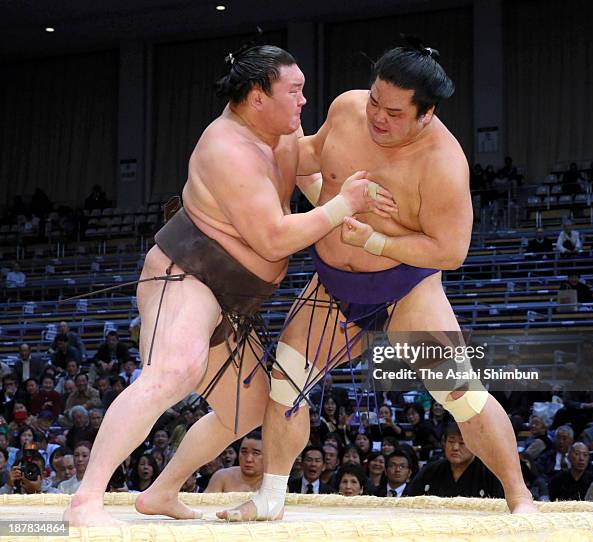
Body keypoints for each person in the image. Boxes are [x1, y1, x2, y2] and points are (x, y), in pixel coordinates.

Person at [64, 44, 389, 526]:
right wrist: (342, 206)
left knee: (249, 410)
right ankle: (86, 499)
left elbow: (308, 167)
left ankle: (161, 491)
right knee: (175, 370)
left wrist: (349, 212)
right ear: (258, 96)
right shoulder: (226, 148)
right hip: (188, 274)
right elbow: (275, 238)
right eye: (294, 91)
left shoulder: (282, 128)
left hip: (234, 297)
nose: (303, 100)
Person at [220, 41, 536, 520]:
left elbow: (451, 252)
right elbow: (309, 158)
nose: (376, 117)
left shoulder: (443, 163)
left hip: (404, 286)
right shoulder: (348, 110)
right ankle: (271, 497)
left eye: (392, 111)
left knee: (461, 394)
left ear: (425, 114)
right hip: (331, 284)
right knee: (286, 379)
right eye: (373, 100)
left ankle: (519, 496)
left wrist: (376, 242)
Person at [407, 423, 503, 499]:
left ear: (475, 445)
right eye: (451, 441)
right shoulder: (430, 471)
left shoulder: (490, 474)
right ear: (444, 443)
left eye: (462, 443)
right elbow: (408, 500)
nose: (455, 447)